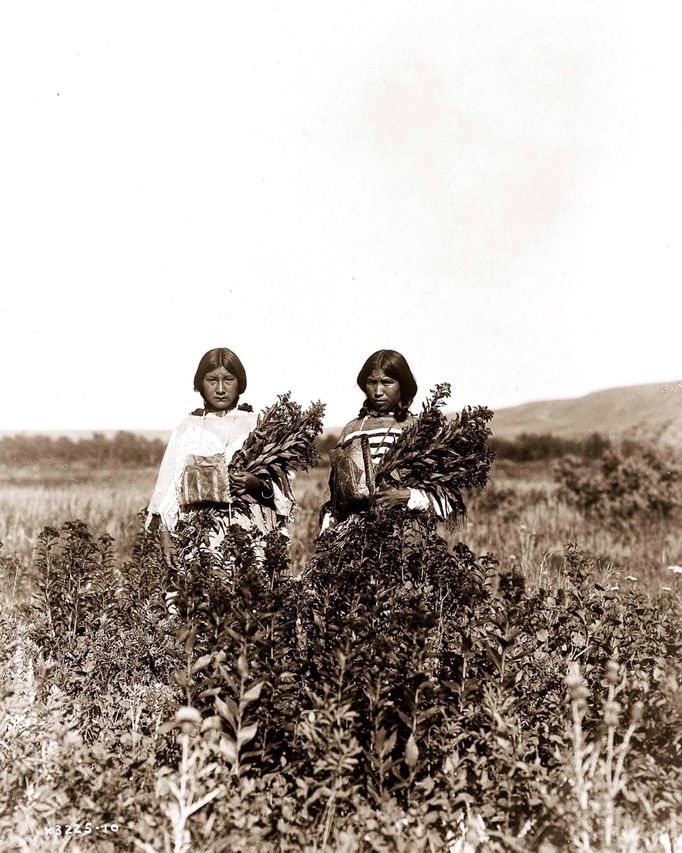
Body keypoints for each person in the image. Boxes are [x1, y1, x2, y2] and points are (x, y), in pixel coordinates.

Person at [146, 348, 293, 581]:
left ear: (240, 383)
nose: (221, 389)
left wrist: (255, 483)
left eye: (229, 380)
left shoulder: (258, 425)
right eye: (212, 380)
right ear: (200, 383)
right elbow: (166, 490)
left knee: (250, 598)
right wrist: (166, 537)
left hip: (249, 531)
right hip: (199, 535)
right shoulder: (189, 427)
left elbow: (282, 492)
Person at [319, 349, 445, 532]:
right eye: (372, 382)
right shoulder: (352, 430)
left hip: (404, 535)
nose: (378, 391)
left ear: (403, 386)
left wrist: (406, 496)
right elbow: (334, 497)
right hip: (354, 538)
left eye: (387, 383)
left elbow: (445, 500)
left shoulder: (419, 430)